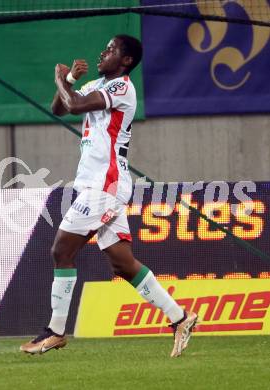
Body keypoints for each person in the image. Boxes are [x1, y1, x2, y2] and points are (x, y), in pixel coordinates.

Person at [20, 34, 198, 357]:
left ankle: (55, 331)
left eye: (112, 49)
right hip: (98, 184)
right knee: (123, 264)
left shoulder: (121, 87)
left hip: (106, 184)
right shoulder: (99, 85)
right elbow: (59, 107)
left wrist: (61, 80)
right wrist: (71, 80)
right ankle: (180, 318)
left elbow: (73, 104)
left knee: (61, 249)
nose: (104, 52)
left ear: (126, 61)